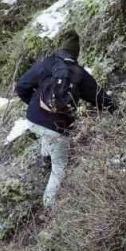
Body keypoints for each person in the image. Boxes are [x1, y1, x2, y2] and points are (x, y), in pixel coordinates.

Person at [14, 31, 116, 207]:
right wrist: (117, 109)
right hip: (57, 127)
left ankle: (45, 158)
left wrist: (34, 103)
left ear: (60, 49)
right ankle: (49, 207)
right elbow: (100, 98)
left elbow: (21, 87)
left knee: (45, 134)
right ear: (76, 53)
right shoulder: (80, 74)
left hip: (32, 119)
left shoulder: (46, 64)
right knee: (60, 167)